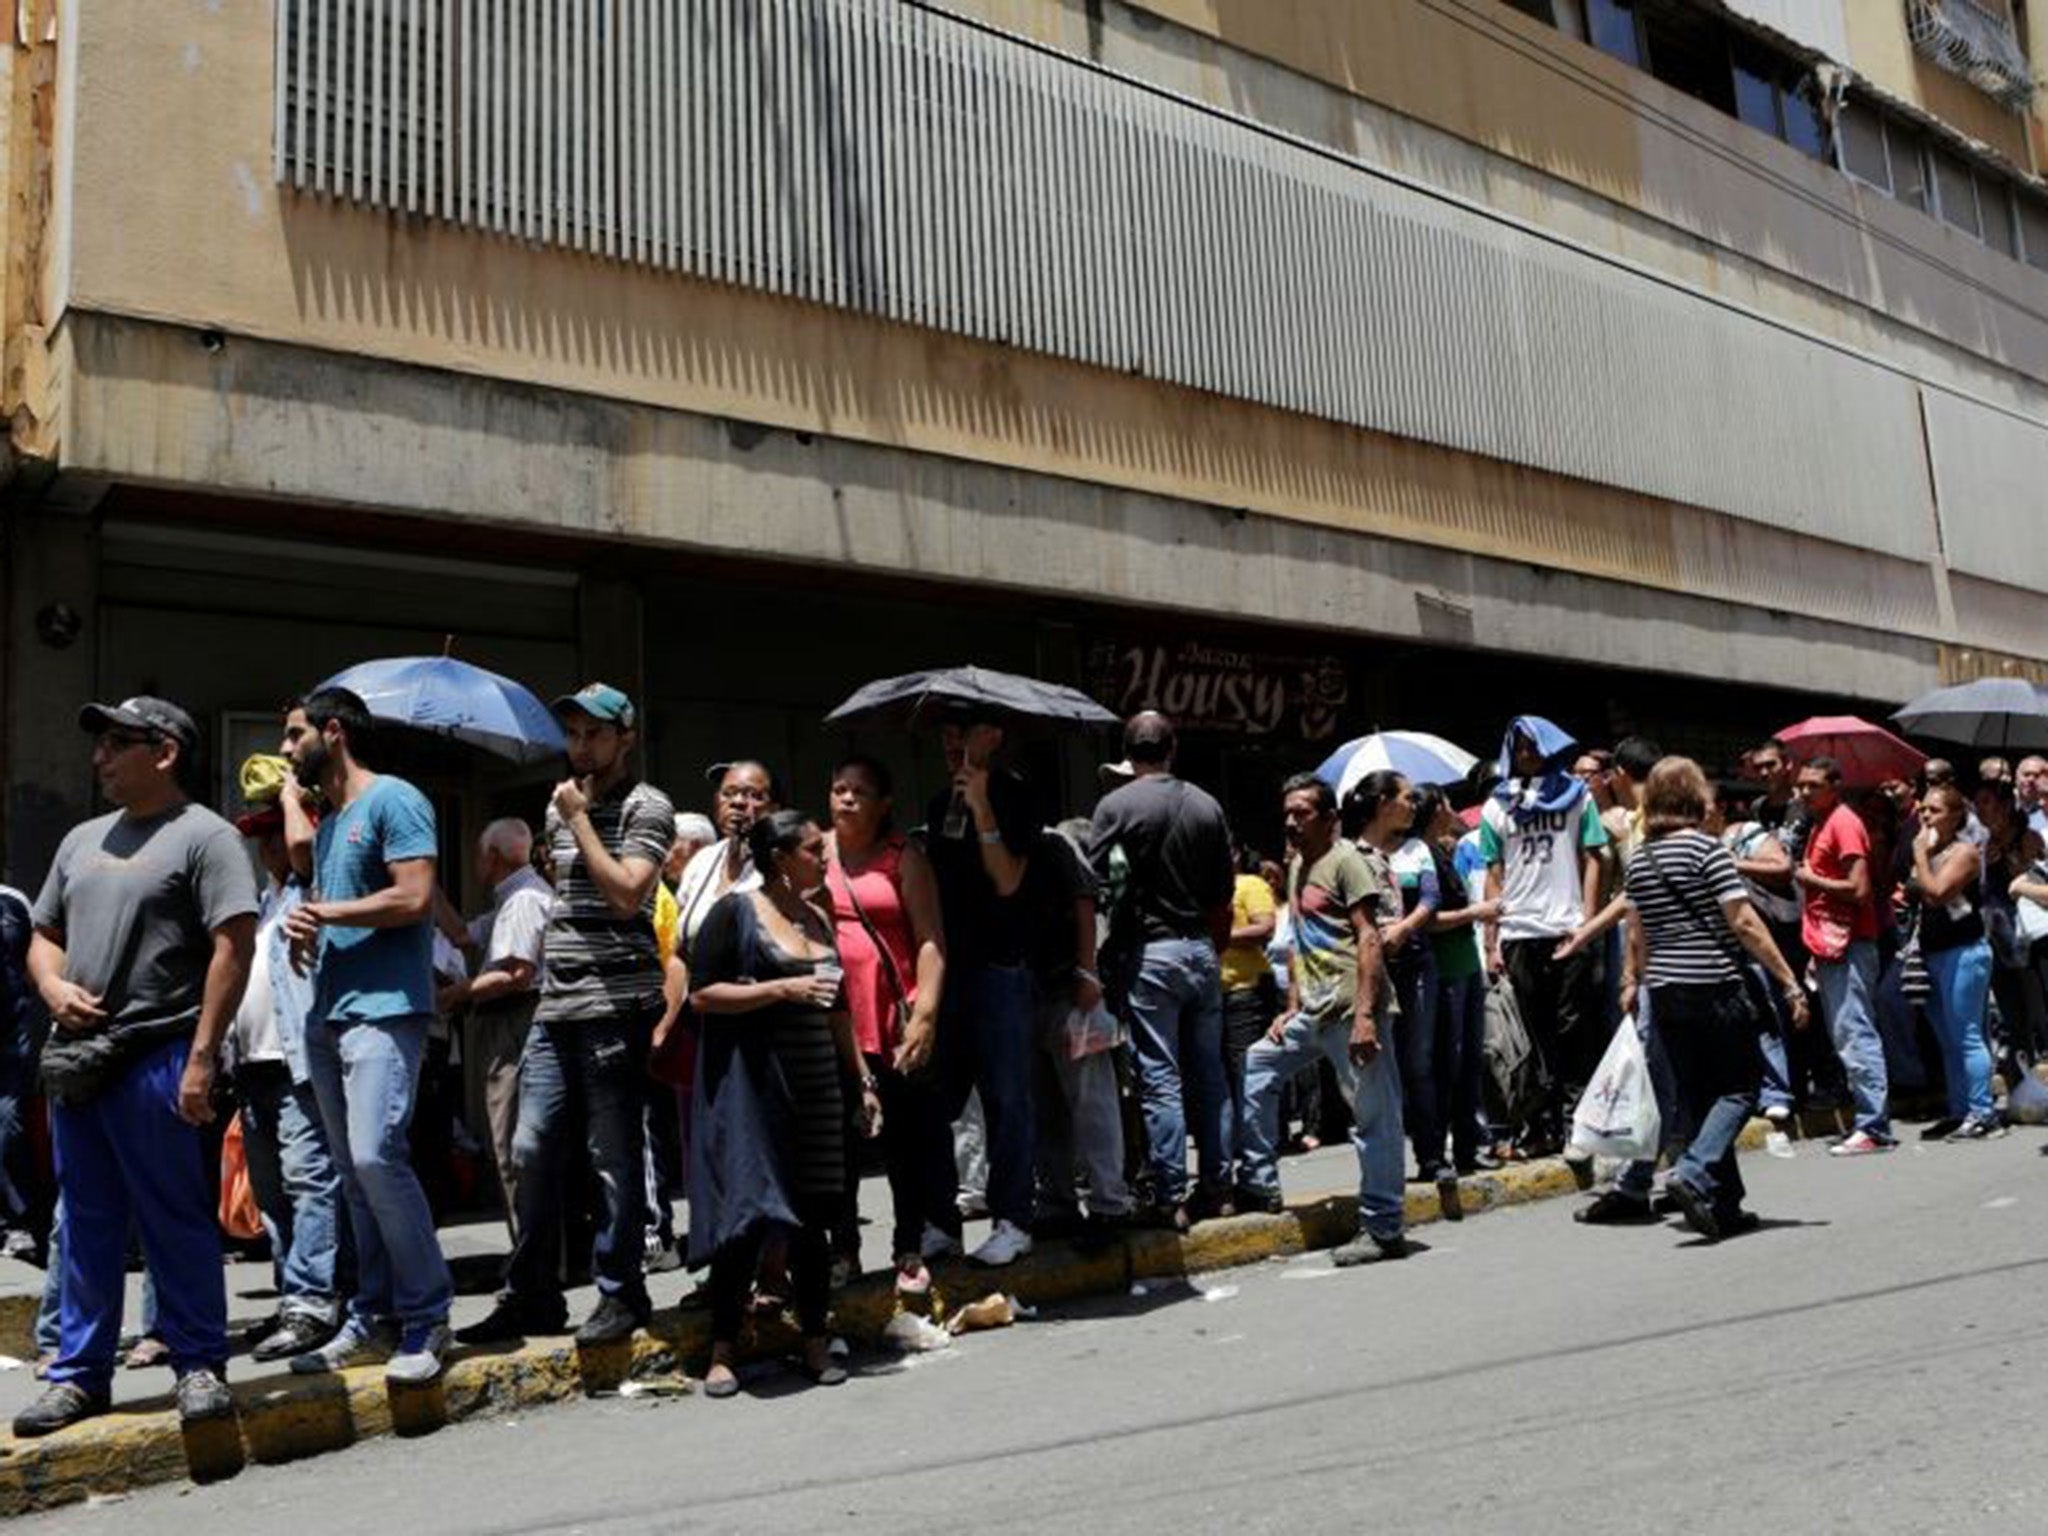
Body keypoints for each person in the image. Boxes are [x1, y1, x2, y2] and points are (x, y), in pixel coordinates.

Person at [12, 697, 255, 1438]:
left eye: (117, 744)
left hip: (159, 1053)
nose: (100, 758)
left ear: (165, 751)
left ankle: (199, 1365)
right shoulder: (81, 840)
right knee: (84, 1222)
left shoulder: (205, 838)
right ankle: (80, 1376)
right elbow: (42, 934)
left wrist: (203, 1060)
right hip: (81, 1062)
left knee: (172, 1216)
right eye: (100, 745)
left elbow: (233, 946)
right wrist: (51, 985)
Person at [463, 685, 673, 1346]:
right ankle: (531, 1293)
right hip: (559, 1002)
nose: (581, 747)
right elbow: (572, 896)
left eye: (595, 734)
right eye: (574, 735)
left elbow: (626, 896)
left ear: (625, 738)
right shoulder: (558, 811)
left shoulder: (648, 807)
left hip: (616, 1005)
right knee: (529, 1148)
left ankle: (621, 1293)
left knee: (610, 1156)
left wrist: (580, 821)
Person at [279, 687, 456, 1382]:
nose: (287, 750)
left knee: (378, 1158)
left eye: (294, 736)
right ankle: (373, 1316)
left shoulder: (396, 799)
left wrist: (324, 912)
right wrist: (308, 937)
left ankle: (427, 1317)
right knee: (354, 1176)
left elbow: (414, 898)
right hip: (329, 1011)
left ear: (333, 731)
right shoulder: (329, 823)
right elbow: (339, 914)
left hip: (386, 1009)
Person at [689, 812, 880, 1397]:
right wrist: (779, 989)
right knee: (748, 1216)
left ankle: (815, 1339)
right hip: (756, 1091)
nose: (823, 859)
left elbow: (840, 1009)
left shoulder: (818, 916)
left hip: (817, 1087)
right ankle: (723, 1349)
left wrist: (863, 1082)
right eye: (813, 850)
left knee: (813, 1217)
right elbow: (702, 994)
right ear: (779, 857)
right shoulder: (736, 913)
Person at [1618, 759, 1808, 1239]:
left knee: (1701, 1097)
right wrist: (1788, 980)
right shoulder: (1708, 850)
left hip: (1663, 989)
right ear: (1690, 796)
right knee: (1743, 1087)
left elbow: (1636, 933)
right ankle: (1694, 1171)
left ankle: (1724, 1204)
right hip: (1715, 982)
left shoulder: (1640, 858)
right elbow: (1743, 922)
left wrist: (1632, 980)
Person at [1238, 774, 1406, 1266]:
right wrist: (1290, 1005)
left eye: (1302, 813)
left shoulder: (1347, 862)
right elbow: (1299, 941)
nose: (1291, 821)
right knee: (1257, 1066)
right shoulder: (1296, 867)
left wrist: (1366, 1017)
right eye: (1286, 812)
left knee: (1374, 1120)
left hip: (1352, 1011)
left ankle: (1384, 1226)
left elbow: (1370, 938)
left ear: (1330, 819)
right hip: (1312, 1011)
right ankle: (1259, 1185)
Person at [1086, 712, 1234, 1228]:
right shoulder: (1206, 804)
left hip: (1152, 954)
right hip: (1201, 950)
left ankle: (1170, 1194)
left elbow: (1093, 882)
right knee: (1210, 1075)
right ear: (1173, 748)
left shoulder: (1115, 805)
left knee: (1160, 1078)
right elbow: (1223, 895)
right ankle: (1218, 1185)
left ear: (1128, 752)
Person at [229, 764, 347, 1364]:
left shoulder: (312, 894)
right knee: (273, 1197)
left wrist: (294, 799)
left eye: (277, 831)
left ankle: (314, 1302)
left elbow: (308, 853)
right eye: (262, 836)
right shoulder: (261, 902)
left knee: (309, 1185)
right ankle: (293, 1296)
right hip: (252, 1066)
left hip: (297, 1064)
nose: (269, 844)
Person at [823, 756, 953, 1292]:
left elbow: (930, 941)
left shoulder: (906, 858)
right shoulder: (815, 849)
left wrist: (924, 1016)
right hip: (832, 1018)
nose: (846, 799)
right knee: (838, 1145)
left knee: (905, 1141)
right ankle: (844, 1252)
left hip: (892, 1017)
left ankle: (909, 1246)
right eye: (838, 789)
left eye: (859, 791)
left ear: (884, 805)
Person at [924, 711, 1041, 1266]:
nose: (952, 745)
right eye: (945, 735)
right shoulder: (935, 803)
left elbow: (1008, 878)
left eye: (961, 733)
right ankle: (941, 1224)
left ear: (990, 737)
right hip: (949, 968)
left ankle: (1013, 1218)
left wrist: (982, 805)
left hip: (1000, 967)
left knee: (1007, 1099)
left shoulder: (1017, 796)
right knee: (938, 1100)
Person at [1480, 716, 1608, 1153]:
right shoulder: (1497, 805)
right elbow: (1493, 873)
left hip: (1567, 927)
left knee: (1574, 1028)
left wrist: (1587, 921)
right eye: (1519, 747)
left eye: (1534, 745)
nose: (1527, 754)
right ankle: (1538, 1125)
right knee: (1530, 1033)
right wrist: (1491, 940)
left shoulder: (1577, 797)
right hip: (1518, 930)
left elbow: (1594, 857)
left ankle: (1577, 1121)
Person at [440, 818, 550, 1238]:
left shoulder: (523, 899)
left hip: (514, 1020)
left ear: (492, 856)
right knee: (514, 1141)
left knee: (511, 1142)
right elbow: (463, 935)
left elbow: (516, 973)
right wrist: (422, 883)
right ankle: (533, 1255)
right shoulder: (513, 898)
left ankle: (530, 1259)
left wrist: (456, 994)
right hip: (509, 1019)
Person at [1031, 819, 1133, 1240]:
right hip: (1027, 991)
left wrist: (1087, 974)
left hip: (1067, 989)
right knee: (1045, 1106)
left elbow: (1084, 899)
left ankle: (1109, 1203)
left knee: (1092, 1102)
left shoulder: (1053, 844)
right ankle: (1057, 1201)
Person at [1793, 758, 1892, 1156]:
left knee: (1855, 1032)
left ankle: (1875, 1127)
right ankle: (1869, 1121)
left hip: (1852, 942)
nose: (1803, 792)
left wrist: (1810, 878)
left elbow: (1859, 889)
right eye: (1800, 785)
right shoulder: (1823, 822)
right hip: (1832, 943)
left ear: (1835, 786)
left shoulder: (1844, 822)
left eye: (1813, 785)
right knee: (1846, 1032)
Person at [1358, 771, 1449, 1203]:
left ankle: (1432, 1156)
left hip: (1414, 964)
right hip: (1373, 970)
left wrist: (1403, 928)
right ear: (1382, 802)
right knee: (1383, 1068)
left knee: (1419, 1060)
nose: (1414, 806)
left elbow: (1431, 899)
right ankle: (1388, 1160)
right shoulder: (1353, 852)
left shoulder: (1417, 850)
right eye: (1406, 798)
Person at [1905, 784, 2001, 1140]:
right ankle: (1960, 1110)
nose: (1926, 816)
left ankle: (1982, 1112)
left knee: (1967, 1035)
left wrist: (1918, 854)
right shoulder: (1933, 850)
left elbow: (1937, 891)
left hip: (1964, 952)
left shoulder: (1964, 852)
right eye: (1923, 810)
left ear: (1956, 816)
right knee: (1946, 1037)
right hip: (1933, 951)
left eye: (1935, 810)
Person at [1416, 788, 1498, 1187]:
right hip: (1446, 969)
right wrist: (1475, 912)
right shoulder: (1421, 856)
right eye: (1446, 804)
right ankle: (1450, 1144)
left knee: (1468, 1061)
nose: (1453, 810)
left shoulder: (1443, 851)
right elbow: (1428, 919)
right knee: (1450, 1061)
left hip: (1464, 965)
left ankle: (1470, 1143)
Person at [1220, 842, 1278, 1190]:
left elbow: (1264, 927)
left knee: (1247, 1079)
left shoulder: (1249, 885)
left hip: (1247, 991)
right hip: (1213, 996)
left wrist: (1219, 936)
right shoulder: (1203, 890)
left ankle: (1258, 1168)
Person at [0, 879, 39, 1259]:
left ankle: (18, 1223)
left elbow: (34, 967)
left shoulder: (12, 902)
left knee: (8, 1125)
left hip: (10, 1039)